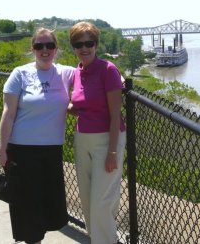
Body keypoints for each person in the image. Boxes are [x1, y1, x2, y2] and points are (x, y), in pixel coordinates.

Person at [0, 28, 75, 244]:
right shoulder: (19, 74)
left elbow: (94, 71)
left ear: (56, 49)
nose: (45, 50)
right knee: (27, 204)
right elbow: (8, 113)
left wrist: (119, 78)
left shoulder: (65, 73)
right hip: (22, 150)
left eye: (49, 45)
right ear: (32, 49)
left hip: (51, 150)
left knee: (48, 204)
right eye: (39, 46)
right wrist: (2, 148)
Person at [69, 21, 126, 244]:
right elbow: (81, 106)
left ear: (96, 44)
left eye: (89, 42)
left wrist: (112, 152)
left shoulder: (108, 70)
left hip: (107, 141)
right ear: (73, 46)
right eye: (78, 43)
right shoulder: (77, 72)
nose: (84, 48)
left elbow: (114, 114)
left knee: (101, 204)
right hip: (82, 140)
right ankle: (98, 239)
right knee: (87, 202)